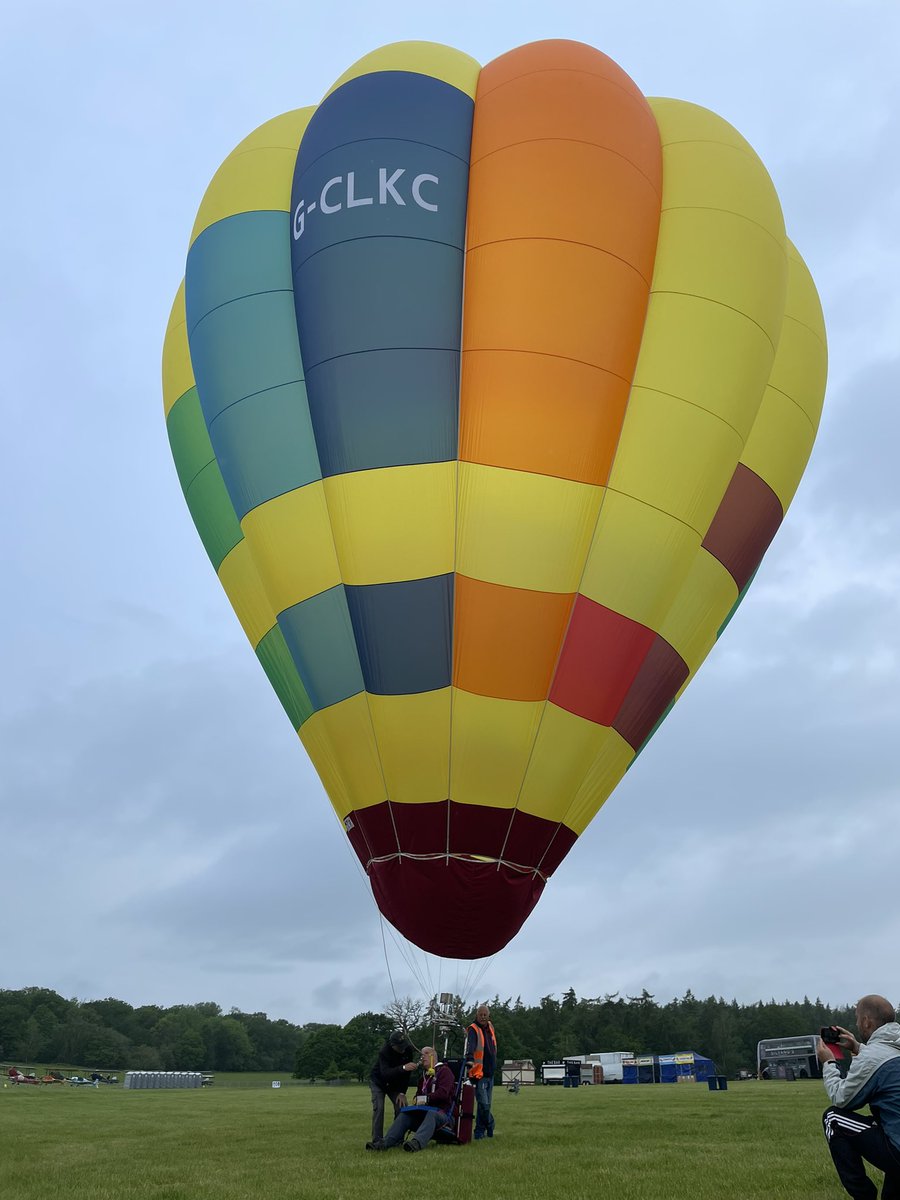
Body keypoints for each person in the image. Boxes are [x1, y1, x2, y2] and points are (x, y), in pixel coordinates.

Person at [818, 994, 900, 1199]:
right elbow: (885, 1061)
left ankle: (864, 1195)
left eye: (857, 1018)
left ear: (866, 1021)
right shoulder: (887, 1050)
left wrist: (829, 1063)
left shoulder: (872, 1057)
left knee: (833, 1118)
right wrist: (857, 1048)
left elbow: (842, 1098)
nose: (856, 1023)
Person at [367, 1047, 456, 1152]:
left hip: (442, 1114)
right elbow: (417, 1096)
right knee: (406, 1114)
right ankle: (384, 1143)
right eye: (421, 1054)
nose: (422, 1057)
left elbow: (443, 1094)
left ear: (434, 1056)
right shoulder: (423, 1077)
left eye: (426, 1053)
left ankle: (416, 1143)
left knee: (432, 1114)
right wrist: (417, 1101)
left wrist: (427, 1098)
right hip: (424, 1113)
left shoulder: (445, 1072)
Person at [368, 1030, 416, 1145]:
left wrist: (402, 1092)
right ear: (392, 1045)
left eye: (404, 1046)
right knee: (379, 1108)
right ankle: (377, 1140)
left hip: (395, 1085)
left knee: (402, 1107)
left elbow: (406, 1076)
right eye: (400, 1047)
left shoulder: (408, 1050)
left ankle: (397, 1138)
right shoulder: (384, 1052)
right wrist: (403, 1067)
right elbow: (385, 1073)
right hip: (379, 1082)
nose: (402, 1049)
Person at [465, 1003, 497, 1139]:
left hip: (490, 1073)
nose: (483, 1017)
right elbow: (471, 1045)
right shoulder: (473, 1029)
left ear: (488, 1016)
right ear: (476, 1016)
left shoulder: (490, 1027)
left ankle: (479, 1132)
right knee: (484, 1105)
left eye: (485, 1015)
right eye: (480, 1015)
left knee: (485, 1105)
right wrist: (470, 1058)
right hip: (479, 1074)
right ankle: (491, 1124)